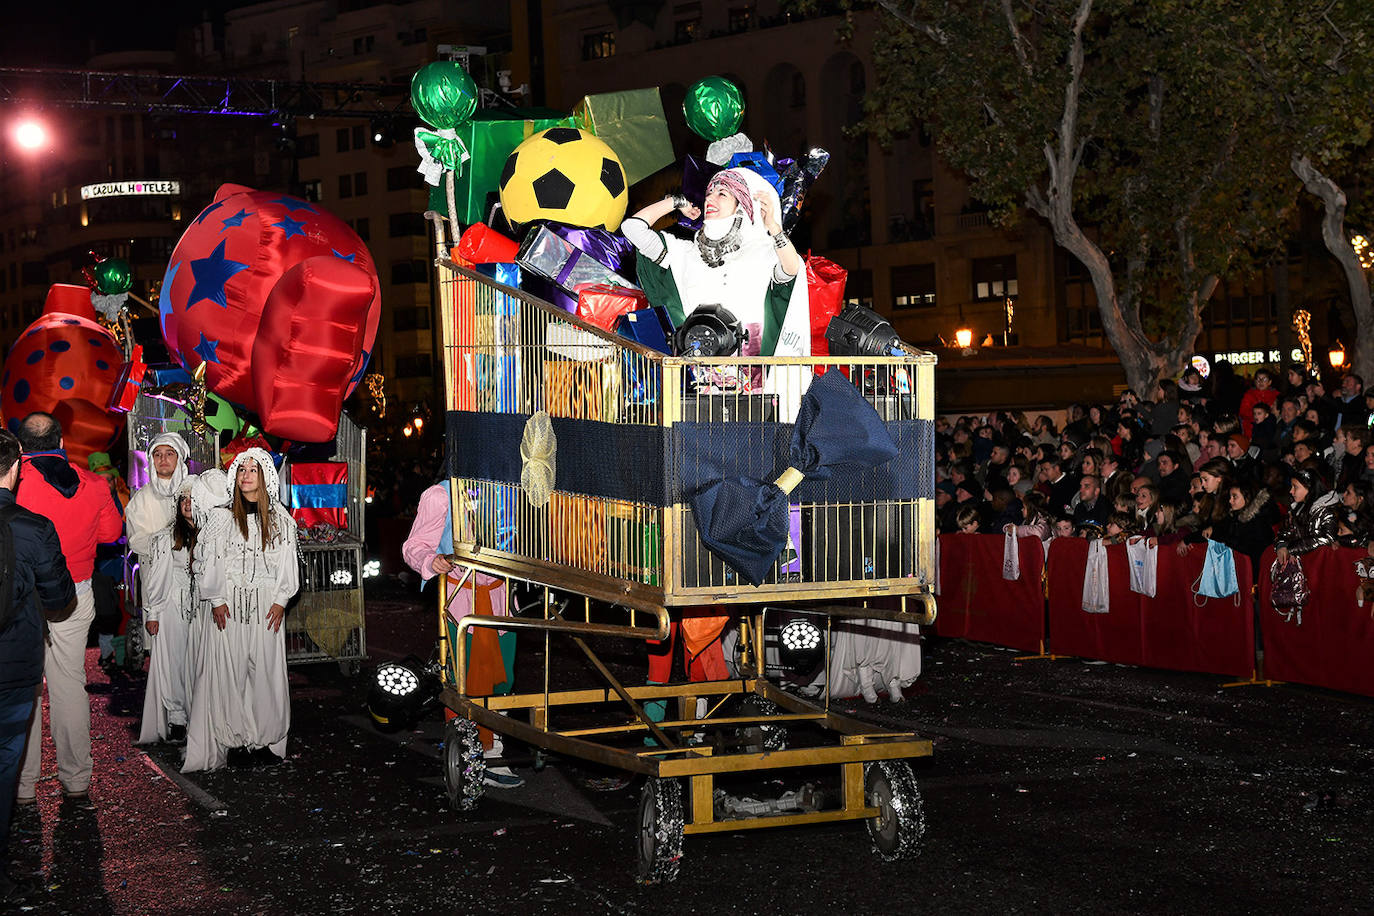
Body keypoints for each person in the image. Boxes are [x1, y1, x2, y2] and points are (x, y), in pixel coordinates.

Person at [15, 412, 122, 805]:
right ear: (62, 444)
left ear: (21, 446)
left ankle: (23, 784)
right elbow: (112, 533)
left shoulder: (13, 483)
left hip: (23, 595)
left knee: (25, 687)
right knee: (69, 685)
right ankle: (76, 778)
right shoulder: (93, 482)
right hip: (73, 592)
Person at [401, 478, 523, 788]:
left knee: (501, 680)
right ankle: (469, 758)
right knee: (461, 682)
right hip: (461, 602)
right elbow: (414, 546)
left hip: (503, 602)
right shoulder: (440, 495)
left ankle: (494, 749)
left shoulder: (509, 491)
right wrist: (432, 560)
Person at [183, 449, 299, 771]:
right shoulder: (221, 519)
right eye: (242, 469)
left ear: (265, 476)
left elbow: (286, 563)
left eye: (254, 469)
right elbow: (208, 561)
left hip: (266, 605)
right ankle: (235, 739)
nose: (247, 475)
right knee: (230, 673)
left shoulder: (280, 519)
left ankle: (264, 740)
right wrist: (216, 598)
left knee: (265, 673)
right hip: (229, 605)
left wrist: (280, 599)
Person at [624, 166, 810, 361]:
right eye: (708, 193)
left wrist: (773, 228)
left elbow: (791, 270)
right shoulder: (685, 253)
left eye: (722, 194)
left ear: (744, 206)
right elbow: (632, 229)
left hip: (751, 381)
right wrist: (675, 201)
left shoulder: (763, 253)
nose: (709, 199)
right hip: (696, 378)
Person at [0, 430, 76, 906]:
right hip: (11, 665)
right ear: (17, 467)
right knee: (5, 763)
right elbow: (60, 598)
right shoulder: (34, 526)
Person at [137, 479, 204, 746]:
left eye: (192, 498)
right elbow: (157, 577)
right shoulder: (166, 537)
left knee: (198, 660)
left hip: (201, 605)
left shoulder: (210, 532)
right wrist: (153, 613)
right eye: (182, 499)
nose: (187, 504)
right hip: (172, 606)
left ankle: (199, 714)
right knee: (174, 661)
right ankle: (177, 718)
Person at [125, 432, 191, 557]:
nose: (163, 459)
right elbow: (136, 541)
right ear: (151, 460)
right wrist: (171, 543)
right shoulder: (141, 498)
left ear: (179, 458)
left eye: (169, 454)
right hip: (155, 571)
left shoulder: (194, 492)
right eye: (157, 454)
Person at [1274, 468, 1340, 569]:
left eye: (1295, 487)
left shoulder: (1326, 511)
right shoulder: (1298, 508)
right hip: (1303, 561)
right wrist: (1282, 545)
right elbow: (1286, 531)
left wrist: (1292, 548)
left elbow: (1328, 538)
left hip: (1320, 566)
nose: (1291, 491)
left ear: (1309, 488)